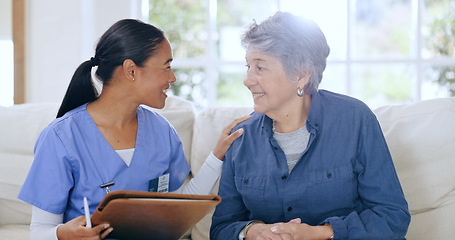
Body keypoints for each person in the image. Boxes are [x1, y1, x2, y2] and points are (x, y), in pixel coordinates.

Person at [18, 19, 250, 240]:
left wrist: (216, 156)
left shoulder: (162, 132)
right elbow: (39, 231)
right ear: (131, 70)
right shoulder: (61, 137)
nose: (173, 77)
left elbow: (179, 208)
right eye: (166, 66)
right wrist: (64, 234)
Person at [210, 11, 411, 240]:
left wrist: (320, 233)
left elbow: (392, 216)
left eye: (260, 67)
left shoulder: (355, 120)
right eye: (248, 66)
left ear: (301, 75)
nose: (247, 80)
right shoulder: (241, 138)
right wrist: (253, 231)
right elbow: (222, 228)